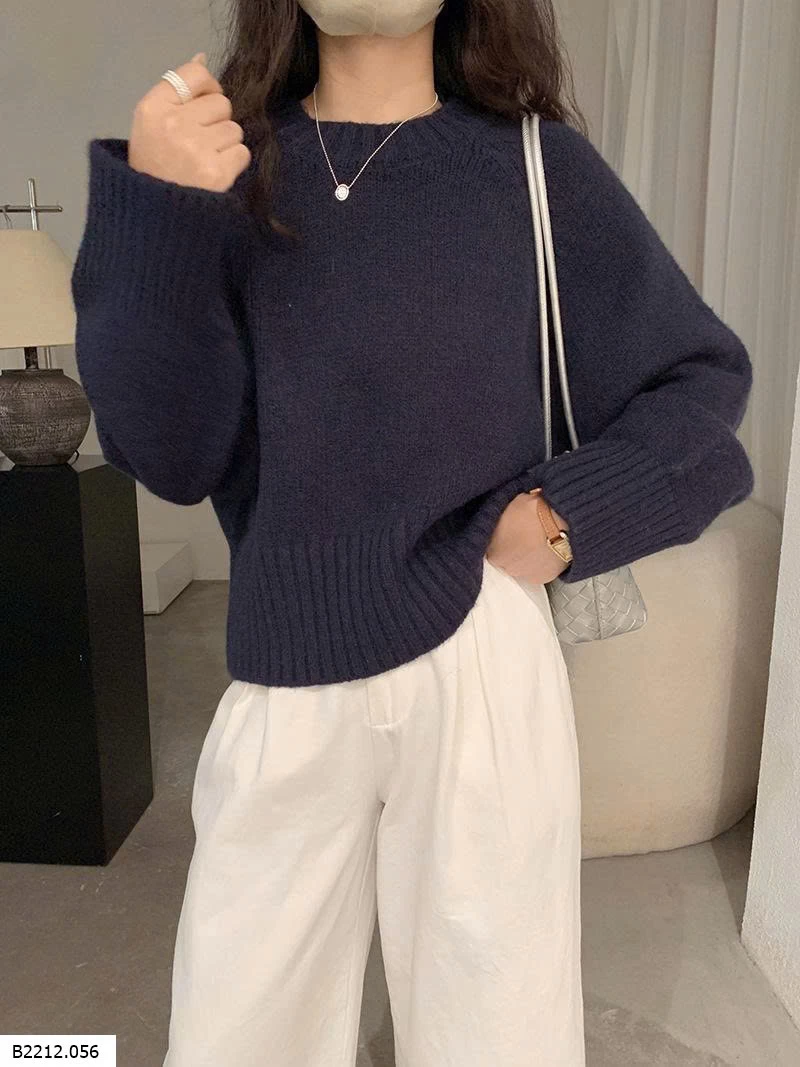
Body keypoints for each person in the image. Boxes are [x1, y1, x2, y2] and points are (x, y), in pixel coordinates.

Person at [70, 1, 755, 1064]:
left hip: (480, 650)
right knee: (238, 1028)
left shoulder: (534, 167)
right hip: (286, 663)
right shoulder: (227, 170)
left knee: (496, 1031)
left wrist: (564, 517)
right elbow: (167, 453)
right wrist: (157, 208)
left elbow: (699, 381)